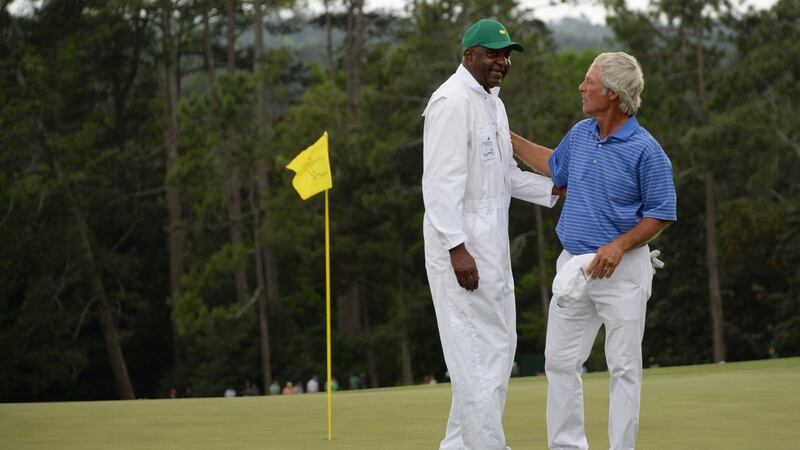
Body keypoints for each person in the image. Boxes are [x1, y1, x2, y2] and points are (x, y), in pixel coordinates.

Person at [511, 51, 677, 450]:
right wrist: (507, 137)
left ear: (614, 94)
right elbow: (555, 166)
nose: (582, 87)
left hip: (623, 271)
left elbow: (662, 213)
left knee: (623, 367)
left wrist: (619, 245)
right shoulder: (582, 133)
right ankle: (567, 446)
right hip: (573, 268)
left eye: (590, 82)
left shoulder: (646, 150)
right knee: (559, 361)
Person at [422, 18, 560, 450]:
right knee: (475, 358)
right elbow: (439, 186)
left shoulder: (493, 104)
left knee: (498, 352)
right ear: (469, 56)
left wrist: (556, 188)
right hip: (460, 250)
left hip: (492, 248)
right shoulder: (451, 101)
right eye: (493, 54)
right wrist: (456, 249)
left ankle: (458, 446)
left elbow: (505, 177)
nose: (502, 62)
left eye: (506, 55)